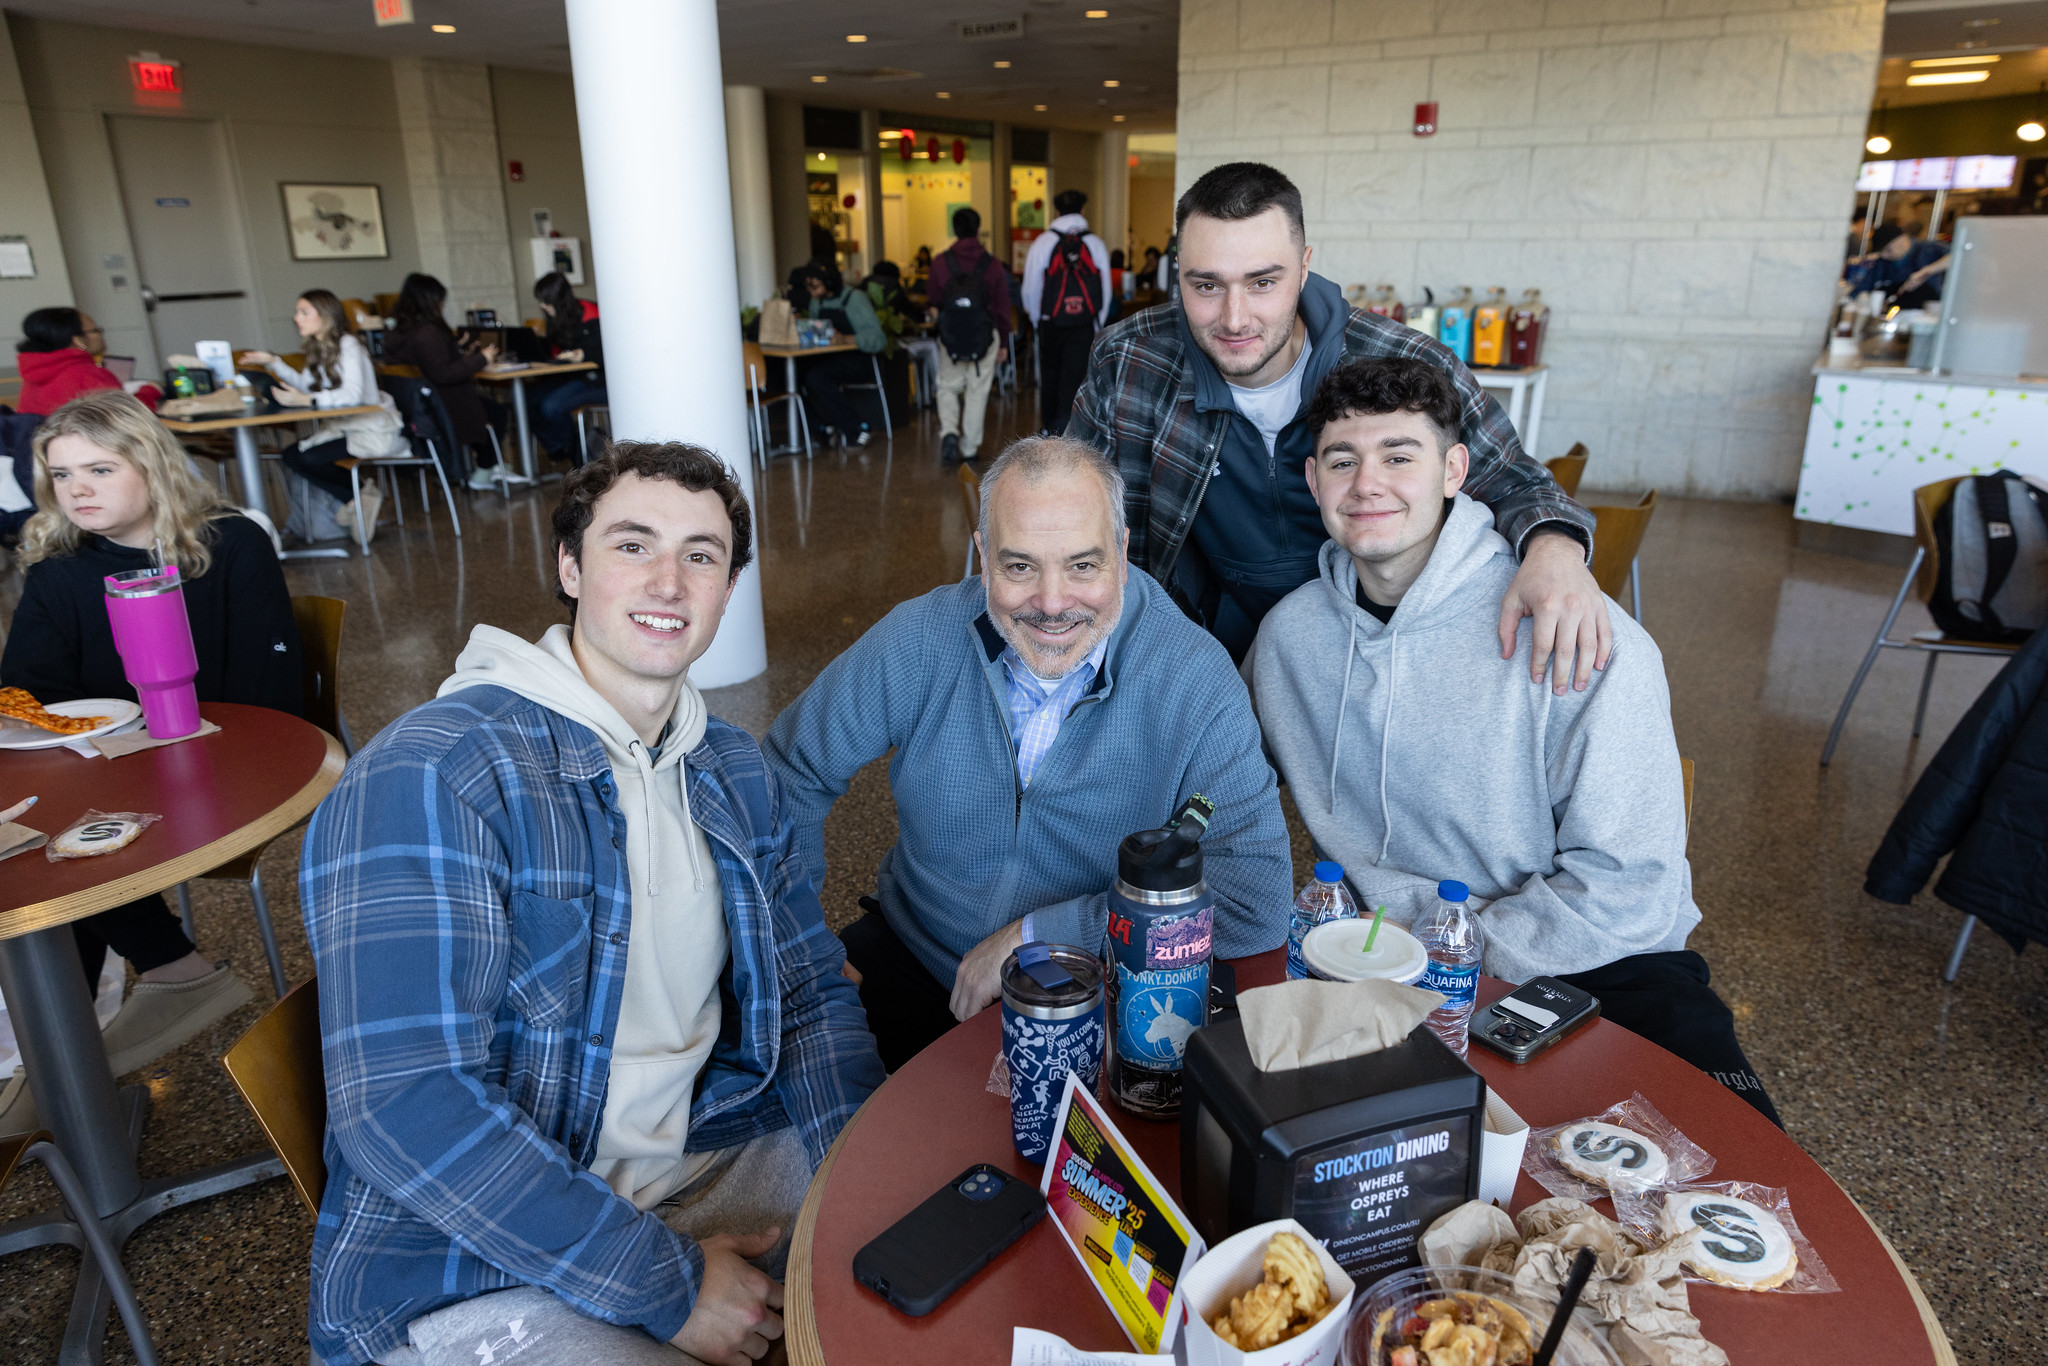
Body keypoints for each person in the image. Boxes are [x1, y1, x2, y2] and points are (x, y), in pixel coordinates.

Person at [301, 441, 883, 1366]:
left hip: (700, 1157)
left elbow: (810, 992)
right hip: (479, 1252)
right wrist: (670, 1282)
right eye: (631, 545)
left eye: (703, 555)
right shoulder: (436, 772)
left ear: (729, 589)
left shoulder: (730, 768)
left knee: (939, 1232)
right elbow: (407, 1105)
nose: (671, 580)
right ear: (569, 567)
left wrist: (871, 1178)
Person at [1245, 358, 1780, 1124]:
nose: (1368, 484)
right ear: (1312, 479)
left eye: (1400, 456)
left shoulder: (1579, 633)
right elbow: (1221, 783)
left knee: (1742, 1184)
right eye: (1342, 460)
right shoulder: (1289, 639)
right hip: (1372, 970)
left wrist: (1454, 960)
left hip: (1602, 969)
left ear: (1455, 470)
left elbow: (1629, 887)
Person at [764, 436, 1291, 1071]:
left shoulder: (1195, 680)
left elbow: (1254, 903)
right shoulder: (920, 637)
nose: (1050, 602)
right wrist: (796, 937)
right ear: (983, 556)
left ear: (1122, 554)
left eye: (1082, 566)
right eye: (1019, 567)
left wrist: (1042, 934)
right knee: (787, 1100)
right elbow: (789, 768)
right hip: (914, 949)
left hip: (1092, 981)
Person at [1066, 161, 1608, 683]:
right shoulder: (1131, 359)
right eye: (1205, 285)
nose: (1234, 318)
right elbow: (1073, 507)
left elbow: (1517, 482)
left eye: (1262, 283)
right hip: (1198, 648)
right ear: (1176, 271)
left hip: (1377, 652)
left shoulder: (1407, 363)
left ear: (1304, 266)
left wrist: (1556, 552)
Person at [0, 390, 301, 1129]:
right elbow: (27, 693)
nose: (77, 490)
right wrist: (97, 734)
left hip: (233, 756)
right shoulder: (61, 566)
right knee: (35, 835)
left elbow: (269, 691)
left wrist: (154, 729)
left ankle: (67, 1063)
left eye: (99, 470)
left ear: (153, 465)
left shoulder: (231, 543)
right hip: (110, 764)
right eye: (61, 474)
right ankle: (101, 1027)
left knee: (56, 841)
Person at [242, 288, 409, 541]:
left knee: (308, 459)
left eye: (303, 312)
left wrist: (308, 399)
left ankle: (360, 494)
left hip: (371, 429)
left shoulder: (349, 344)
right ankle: (358, 496)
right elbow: (306, 387)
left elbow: (352, 394)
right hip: (345, 427)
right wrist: (273, 362)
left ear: (325, 316)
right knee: (291, 455)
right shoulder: (319, 348)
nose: (296, 318)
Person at [381, 272, 505, 490]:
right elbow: (443, 373)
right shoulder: (427, 332)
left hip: (416, 406)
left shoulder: (396, 332)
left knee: (487, 408)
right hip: (443, 406)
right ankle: (485, 469)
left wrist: (456, 347)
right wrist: (481, 358)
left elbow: (429, 363)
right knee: (496, 412)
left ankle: (485, 467)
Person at [1021, 189, 1112, 436]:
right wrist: (1096, 322)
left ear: (1056, 211)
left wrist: (1036, 319)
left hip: (1050, 324)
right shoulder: (1094, 243)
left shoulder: (1042, 243)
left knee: (1050, 379)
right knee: (1076, 382)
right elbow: (1104, 290)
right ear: (1083, 210)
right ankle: (1070, 436)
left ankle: (1049, 433)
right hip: (1084, 325)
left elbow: (1030, 288)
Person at [924, 207, 1012, 465]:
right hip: (984, 337)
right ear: (978, 229)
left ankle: (949, 431)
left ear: (954, 229)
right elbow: (1002, 306)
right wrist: (1003, 342)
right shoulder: (992, 264)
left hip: (950, 336)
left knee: (947, 387)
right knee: (977, 392)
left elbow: (933, 300)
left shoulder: (941, 262)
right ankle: (970, 447)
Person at [795, 261, 886, 448]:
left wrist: (846, 338)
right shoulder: (815, 302)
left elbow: (878, 338)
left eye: (814, 285)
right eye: (807, 286)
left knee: (816, 377)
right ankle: (821, 427)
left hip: (858, 360)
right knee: (795, 375)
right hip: (827, 358)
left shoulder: (855, 299)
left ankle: (857, 427)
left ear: (828, 282)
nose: (810, 291)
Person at [14, 307, 160, 415]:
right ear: (78, 341)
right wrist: (150, 392)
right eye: (95, 330)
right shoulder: (89, 374)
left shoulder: (34, 376)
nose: (101, 334)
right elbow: (130, 418)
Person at [530, 271, 606, 466]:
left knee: (551, 407)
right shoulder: (557, 318)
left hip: (595, 380)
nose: (542, 306)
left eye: (545, 301)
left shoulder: (592, 313)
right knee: (526, 400)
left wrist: (582, 355)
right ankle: (558, 447)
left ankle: (576, 456)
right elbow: (555, 350)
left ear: (557, 300)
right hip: (570, 377)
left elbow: (606, 352)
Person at [1847, 223, 1950, 310]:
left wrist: (1928, 271)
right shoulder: (1881, 263)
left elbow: (1959, 256)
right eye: (1881, 252)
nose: (1884, 255)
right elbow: (1860, 290)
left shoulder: (1930, 250)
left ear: (1902, 239)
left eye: (1888, 250)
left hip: (1925, 313)